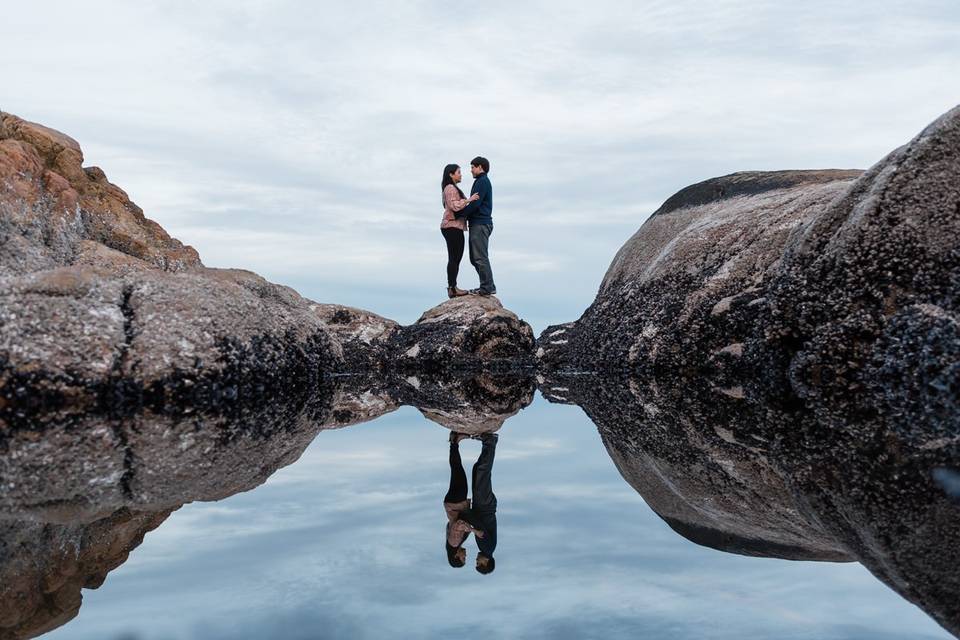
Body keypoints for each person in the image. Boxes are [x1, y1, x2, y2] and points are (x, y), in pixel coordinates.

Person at [442, 431, 498, 574]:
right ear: (486, 563)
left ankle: (461, 441)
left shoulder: (455, 542)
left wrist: (472, 527)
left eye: (464, 558)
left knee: (474, 472)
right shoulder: (487, 548)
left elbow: (464, 525)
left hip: (465, 505)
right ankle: (488, 442)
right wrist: (473, 526)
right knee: (478, 472)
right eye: (477, 563)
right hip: (483, 506)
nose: (469, 557)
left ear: (456, 556)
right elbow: (480, 529)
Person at [456, 156, 496, 296]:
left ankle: (487, 288)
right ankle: (488, 285)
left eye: (473, 167)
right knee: (475, 258)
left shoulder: (482, 182)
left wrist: (460, 214)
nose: (471, 170)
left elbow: (475, 204)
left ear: (480, 167)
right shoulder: (481, 181)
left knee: (480, 257)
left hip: (480, 223)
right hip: (478, 223)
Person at [440, 164, 479, 299]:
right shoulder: (450, 188)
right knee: (454, 258)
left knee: (455, 258)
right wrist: (469, 200)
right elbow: (454, 206)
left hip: (454, 226)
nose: (461, 174)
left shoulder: (451, 188)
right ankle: (452, 288)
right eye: (458, 172)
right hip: (451, 226)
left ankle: (453, 287)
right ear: (451, 174)